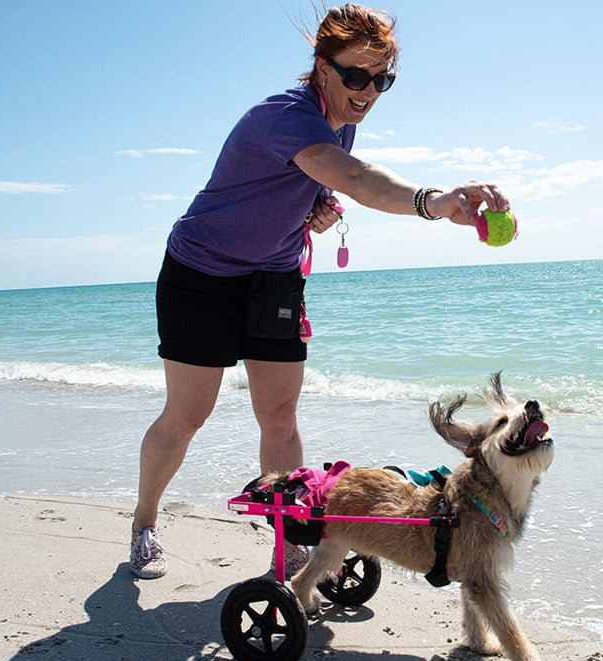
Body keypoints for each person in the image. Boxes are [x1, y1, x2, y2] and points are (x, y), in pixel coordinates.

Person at [130, 3, 511, 578]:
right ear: (321, 66)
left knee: (280, 416)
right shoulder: (283, 115)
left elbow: (319, 179)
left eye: (380, 79)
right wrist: (435, 203)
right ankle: (144, 521)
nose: (367, 91)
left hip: (275, 275)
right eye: (355, 76)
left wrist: (309, 208)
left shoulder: (343, 119)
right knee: (188, 415)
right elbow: (357, 179)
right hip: (202, 271)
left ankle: (291, 542)